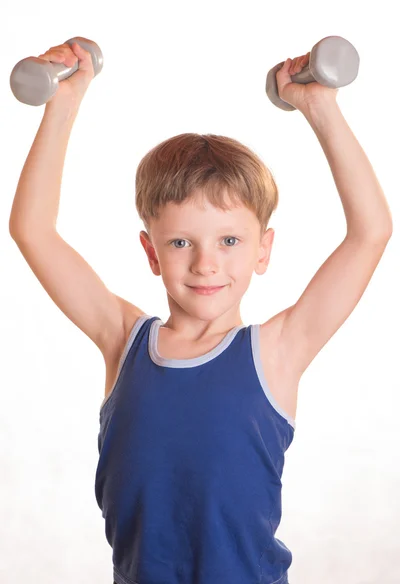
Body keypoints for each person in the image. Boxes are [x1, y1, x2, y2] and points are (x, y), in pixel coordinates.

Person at [9, 42, 392, 584]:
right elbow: (33, 232)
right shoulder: (124, 341)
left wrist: (319, 107)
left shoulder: (276, 350)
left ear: (264, 250)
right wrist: (63, 103)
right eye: (183, 242)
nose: (207, 264)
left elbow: (370, 233)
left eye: (230, 240)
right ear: (151, 252)